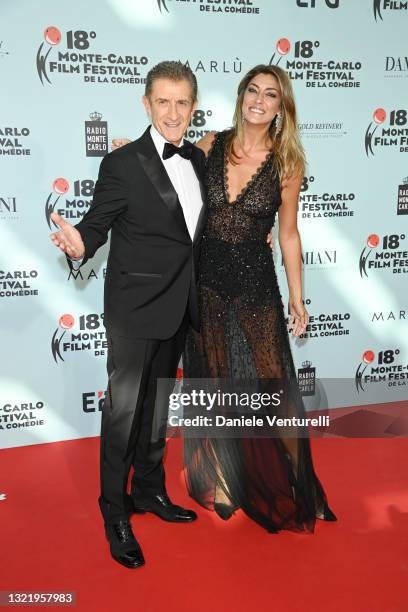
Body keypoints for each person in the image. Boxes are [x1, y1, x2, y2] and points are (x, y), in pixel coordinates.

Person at [113, 64, 336, 534]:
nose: (259, 99)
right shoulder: (211, 144)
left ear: (282, 106)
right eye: (252, 90)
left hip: (255, 286)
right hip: (204, 285)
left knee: (275, 392)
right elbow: (167, 175)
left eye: (270, 94)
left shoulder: (288, 162)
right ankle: (224, 478)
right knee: (212, 384)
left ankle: (301, 485)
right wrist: (132, 159)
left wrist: (298, 298)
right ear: (241, 96)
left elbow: (289, 235)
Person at [49, 61, 207, 569]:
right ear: (146, 103)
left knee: (157, 410)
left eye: (182, 102)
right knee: (123, 415)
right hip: (135, 309)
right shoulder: (122, 163)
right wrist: (79, 243)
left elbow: (196, 233)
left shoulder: (198, 161)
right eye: (163, 101)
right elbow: (97, 225)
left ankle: (149, 492)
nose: (173, 112)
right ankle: (114, 511)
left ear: (193, 106)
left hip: (180, 306)